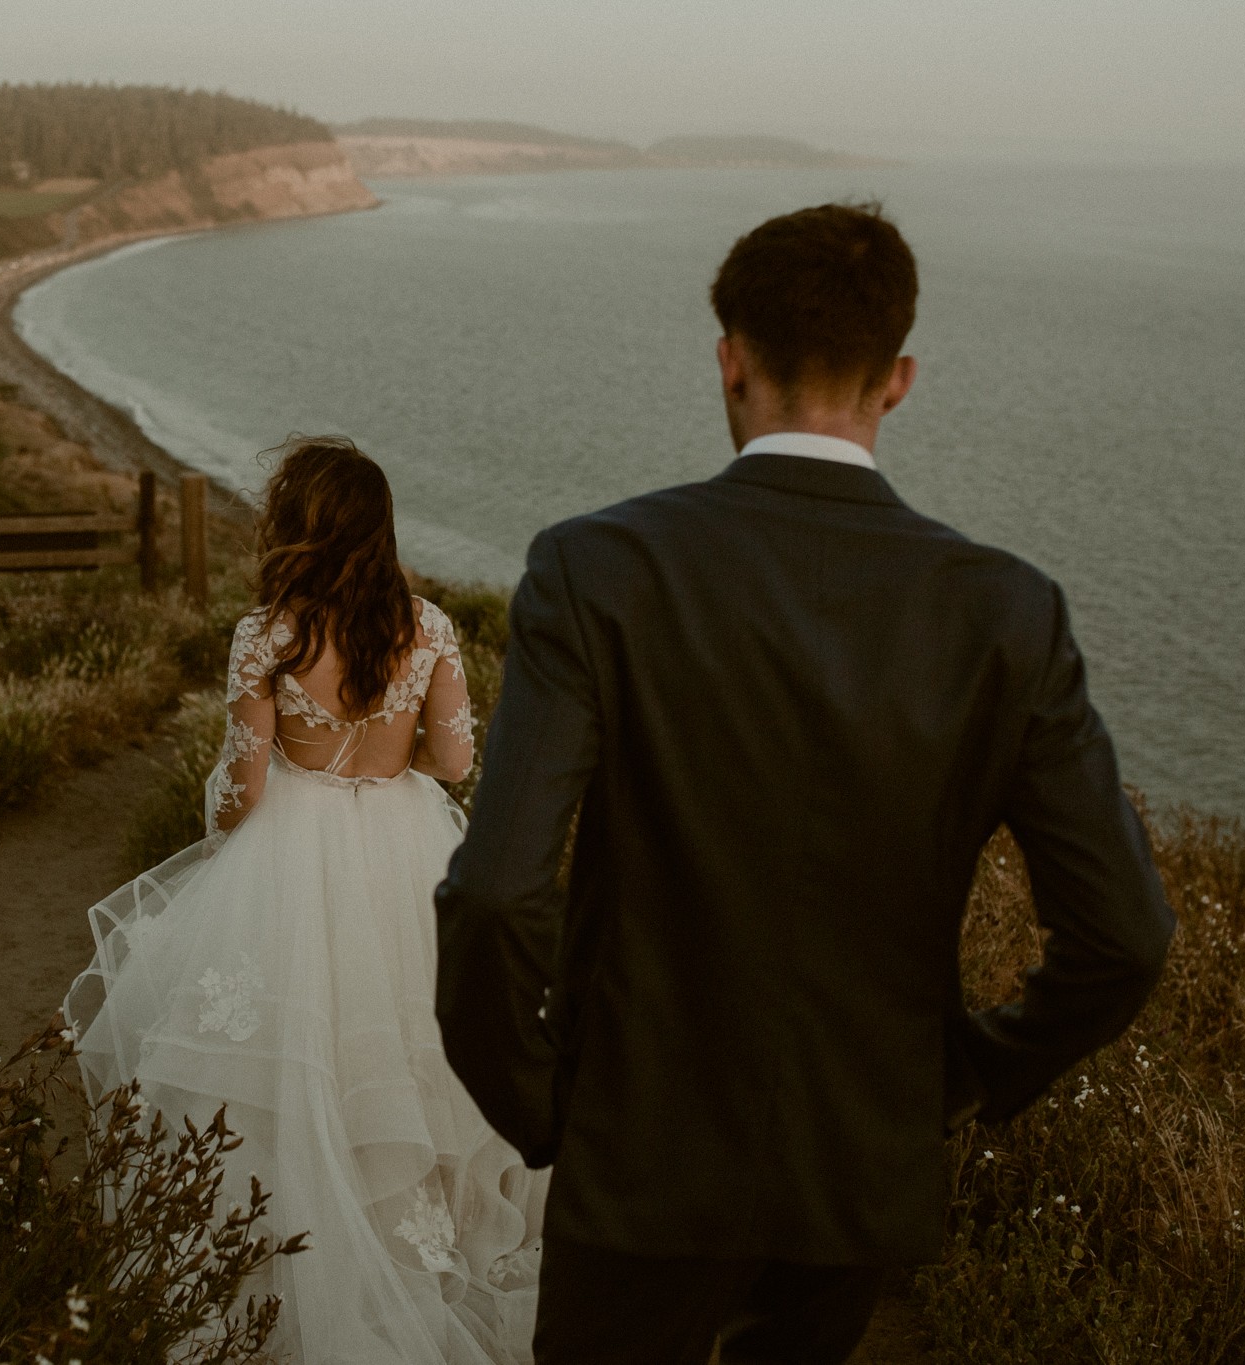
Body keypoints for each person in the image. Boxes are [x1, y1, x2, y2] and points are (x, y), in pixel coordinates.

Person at [434, 202, 1177, 1364]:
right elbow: (1123, 936)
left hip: (637, 1162)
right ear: (899, 380)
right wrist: (956, 1081)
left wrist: (540, 1109)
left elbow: (492, 896)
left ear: (729, 360)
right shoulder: (1004, 611)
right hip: (856, 1172)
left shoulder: (596, 568)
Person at [64, 437, 546, 1364]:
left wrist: (219, 826)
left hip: (293, 855)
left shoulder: (267, 636)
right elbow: (453, 763)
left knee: (291, 1071)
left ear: (297, 529)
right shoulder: (431, 626)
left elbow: (242, 792)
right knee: (412, 1068)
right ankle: (421, 1260)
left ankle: (292, 1265)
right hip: (408, 852)